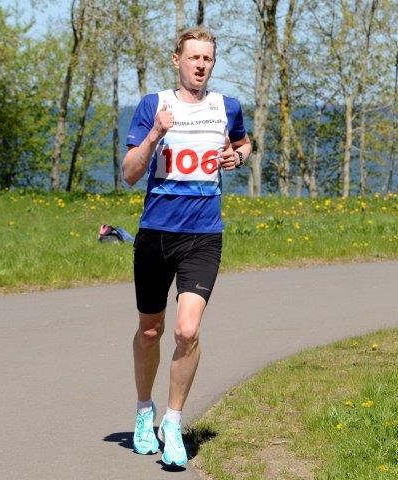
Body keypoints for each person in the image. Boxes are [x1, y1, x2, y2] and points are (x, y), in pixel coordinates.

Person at [122, 26, 251, 467]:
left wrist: (238, 157)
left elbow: (243, 142)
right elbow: (130, 173)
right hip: (155, 234)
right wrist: (155, 135)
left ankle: (173, 422)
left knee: (187, 331)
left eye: (207, 59)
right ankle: (144, 412)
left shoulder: (226, 106)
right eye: (193, 57)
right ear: (177, 60)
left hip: (203, 236)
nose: (200, 65)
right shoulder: (153, 105)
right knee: (150, 330)